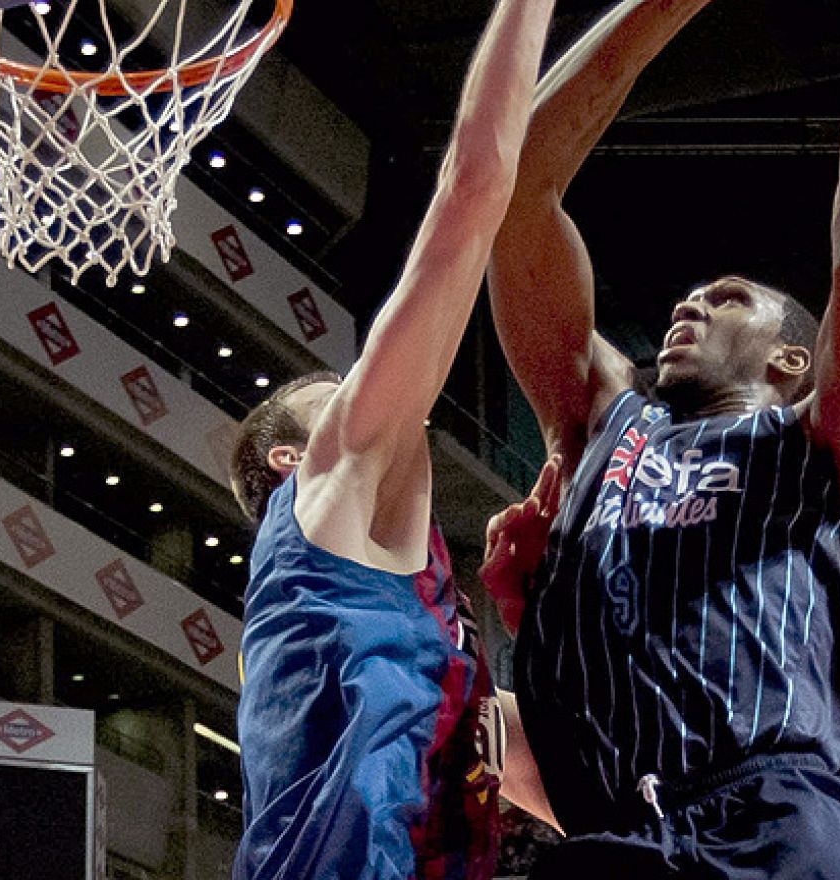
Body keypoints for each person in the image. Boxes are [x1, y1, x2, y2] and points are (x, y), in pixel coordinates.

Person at [486, 0, 840, 874]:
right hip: (611, 833)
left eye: (727, 299)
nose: (690, 304)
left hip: (775, 820)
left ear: (794, 358)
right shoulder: (599, 421)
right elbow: (513, 193)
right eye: (691, 297)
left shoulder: (824, 441)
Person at [226, 2, 558, 877]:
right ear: (292, 461)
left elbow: (578, 783)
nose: (362, 394)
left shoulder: (421, 634)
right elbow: (474, 189)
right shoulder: (324, 496)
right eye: (334, 399)